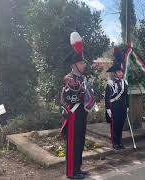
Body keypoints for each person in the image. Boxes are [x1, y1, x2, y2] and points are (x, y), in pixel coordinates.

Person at [60, 32, 95, 179]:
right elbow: (70, 98)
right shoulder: (70, 79)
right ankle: (71, 173)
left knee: (80, 142)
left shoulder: (81, 78)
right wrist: (84, 93)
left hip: (81, 114)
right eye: (81, 63)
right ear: (75, 65)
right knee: (73, 144)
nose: (84, 65)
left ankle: (78, 169)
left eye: (84, 63)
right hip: (73, 115)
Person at [105, 64, 129, 150]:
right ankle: (115, 143)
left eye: (121, 71)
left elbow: (127, 96)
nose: (121, 73)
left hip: (122, 106)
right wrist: (108, 108)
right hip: (114, 106)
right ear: (115, 73)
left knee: (121, 124)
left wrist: (127, 106)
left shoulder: (124, 82)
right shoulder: (110, 83)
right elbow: (107, 97)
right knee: (115, 125)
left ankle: (120, 141)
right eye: (119, 72)